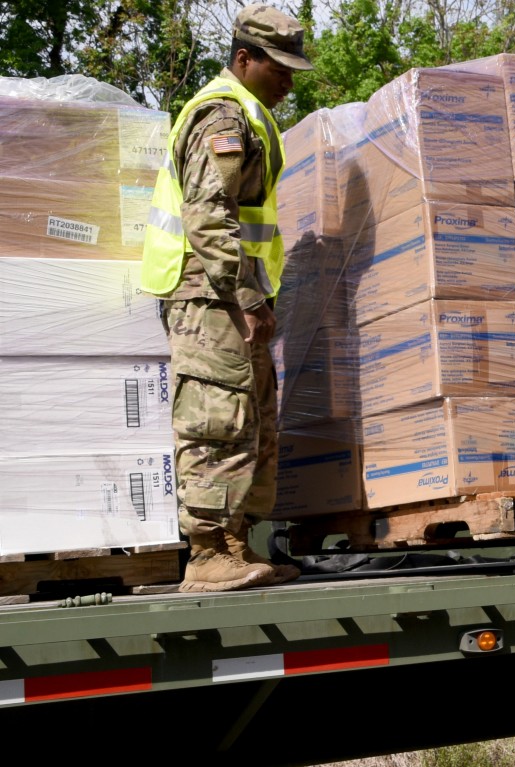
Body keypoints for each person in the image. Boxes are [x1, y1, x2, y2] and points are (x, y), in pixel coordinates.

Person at [141, 4, 312, 592]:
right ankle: (207, 553)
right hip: (209, 293)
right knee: (217, 418)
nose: (290, 80)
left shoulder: (250, 113)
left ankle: (235, 543)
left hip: (233, 295)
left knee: (252, 419)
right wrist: (245, 295)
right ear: (245, 58)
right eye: (280, 67)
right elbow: (207, 216)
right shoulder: (224, 113)